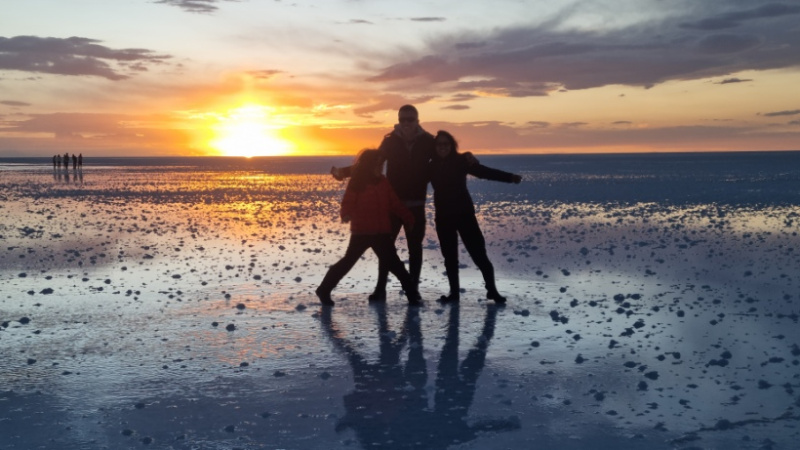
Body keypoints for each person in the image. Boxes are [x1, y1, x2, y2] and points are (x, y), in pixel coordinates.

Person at [331, 105, 475, 301]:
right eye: (403, 119)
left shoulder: (427, 141)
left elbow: (446, 153)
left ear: (417, 120)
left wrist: (465, 157)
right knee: (386, 248)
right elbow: (370, 163)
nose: (406, 123)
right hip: (393, 204)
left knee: (415, 248)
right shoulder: (390, 141)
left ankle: (412, 290)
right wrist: (344, 172)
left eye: (410, 119)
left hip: (416, 204)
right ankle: (380, 289)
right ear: (399, 121)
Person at [317, 149, 421, 306]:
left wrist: (408, 217)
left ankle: (413, 296)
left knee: (396, 265)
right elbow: (347, 201)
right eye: (378, 164)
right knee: (347, 262)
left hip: (381, 233)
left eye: (382, 164)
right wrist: (346, 214)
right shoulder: (357, 182)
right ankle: (324, 289)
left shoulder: (383, 181)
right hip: (362, 232)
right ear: (369, 164)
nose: (380, 167)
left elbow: (394, 203)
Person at [428, 130, 522, 303]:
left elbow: (484, 172)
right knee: (450, 257)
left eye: (446, 144)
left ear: (452, 145)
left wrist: (510, 177)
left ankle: (492, 291)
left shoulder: (461, 161)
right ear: (434, 147)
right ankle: (454, 294)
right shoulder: (431, 165)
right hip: (443, 218)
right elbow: (412, 181)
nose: (442, 147)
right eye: (439, 144)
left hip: (465, 216)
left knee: (479, 254)